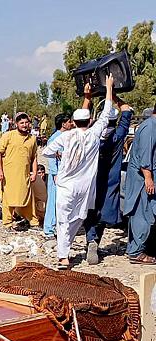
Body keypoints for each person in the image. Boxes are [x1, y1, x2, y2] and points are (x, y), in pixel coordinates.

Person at [42, 76, 115, 269]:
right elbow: (106, 113)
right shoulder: (94, 133)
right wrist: (108, 89)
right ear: (90, 121)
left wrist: (61, 153)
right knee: (78, 218)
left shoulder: (66, 136)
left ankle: (63, 256)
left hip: (66, 185)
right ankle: (66, 249)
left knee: (63, 221)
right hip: (85, 187)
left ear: (73, 122)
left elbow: (46, 151)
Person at [83, 91, 133, 264]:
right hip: (111, 182)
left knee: (91, 211)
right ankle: (95, 241)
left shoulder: (92, 136)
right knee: (104, 212)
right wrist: (113, 96)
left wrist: (88, 98)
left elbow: (82, 121)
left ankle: (91, 240)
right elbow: (127, 111)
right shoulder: (118, 137)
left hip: (91, 180)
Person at [122, 105, 156, 264]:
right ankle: (137, 252)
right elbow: (145, 156)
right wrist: (148, 178)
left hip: (145, 178)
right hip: (143, 180)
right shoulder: (150, 128)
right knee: (144, 215)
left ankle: (136, 249)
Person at [0, 112, 39, 232]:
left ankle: (33, 222)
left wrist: (34, 172)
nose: (24, 125)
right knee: (9, 198)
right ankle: (7, 223)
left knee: (28, 197)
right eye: (22, 123)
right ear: (16, 124)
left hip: (24, 174)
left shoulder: (32, 139)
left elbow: (34, 157)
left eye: (26, 122)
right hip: (9, 174)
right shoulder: (8, 136)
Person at [43, 113, 74, 239]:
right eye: (69, 121)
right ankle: (49, 228)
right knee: (53, 201)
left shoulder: (67, 136)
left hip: (66, 174)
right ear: (63, 124)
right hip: (57, 175)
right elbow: (51, 157)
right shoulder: (55, 138)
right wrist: (54, 173)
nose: (71, 124)